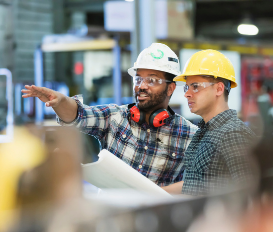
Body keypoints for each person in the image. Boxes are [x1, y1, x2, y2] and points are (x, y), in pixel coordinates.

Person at [22, 43, 198, 187]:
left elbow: (194, 186)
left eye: (152, 80)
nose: (141, 86)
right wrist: (60, 101)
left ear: (171, 87)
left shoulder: (189, 135)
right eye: (138, 79)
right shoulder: (115, 117)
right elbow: (79, 114)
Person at [163, 50, 258, 196]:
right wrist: (152, 192)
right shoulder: (203, 132)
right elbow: (193, 183)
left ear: (219, 89)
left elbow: (252, 193)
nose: (187, 93)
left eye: (195, 86)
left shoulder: (233, 134)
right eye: (187, 87)